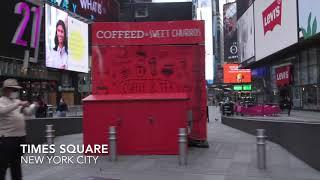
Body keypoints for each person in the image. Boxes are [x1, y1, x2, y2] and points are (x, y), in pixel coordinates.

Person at [0, 79, 38, 180]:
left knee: (16, 164)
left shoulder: (17, 101)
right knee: (3, 165)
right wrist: (18, 104)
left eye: (16, 90)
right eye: (13, 90)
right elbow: (3, 111)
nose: (15, 92)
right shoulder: (2, 101)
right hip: (7, 138)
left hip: (20, 137)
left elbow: (28, 112)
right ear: (6, 90)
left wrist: (34, 106)